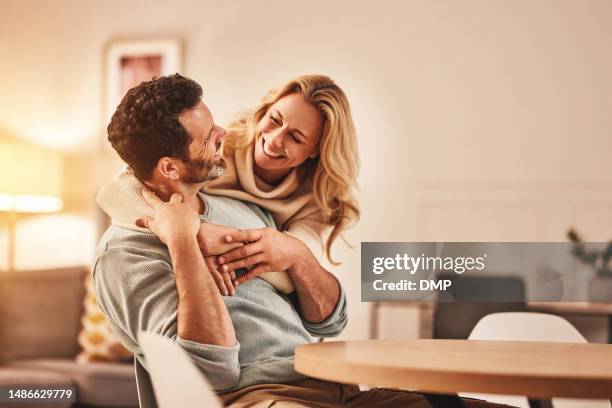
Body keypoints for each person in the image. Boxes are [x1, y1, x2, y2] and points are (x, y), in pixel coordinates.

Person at [93, 74, 511, 408]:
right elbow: (213, 371)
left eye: (296, 138)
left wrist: (294, 255)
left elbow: (330, 320)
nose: (226, 133)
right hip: (261, 397)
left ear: (315, 152)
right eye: (208, 134)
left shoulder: (251, 209)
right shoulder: (124, 256)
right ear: (170, 166)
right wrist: (183, 240)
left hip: (338, 387)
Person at [96, 73, 360, 295]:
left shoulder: (319, 200)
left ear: (316, 150)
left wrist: (215, 237)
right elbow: (113, 193)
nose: (275, 139)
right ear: (264, 111)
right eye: (275, 120)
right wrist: (190, 232)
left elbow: (291, 275)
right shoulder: (221, 149)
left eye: (296, 137)